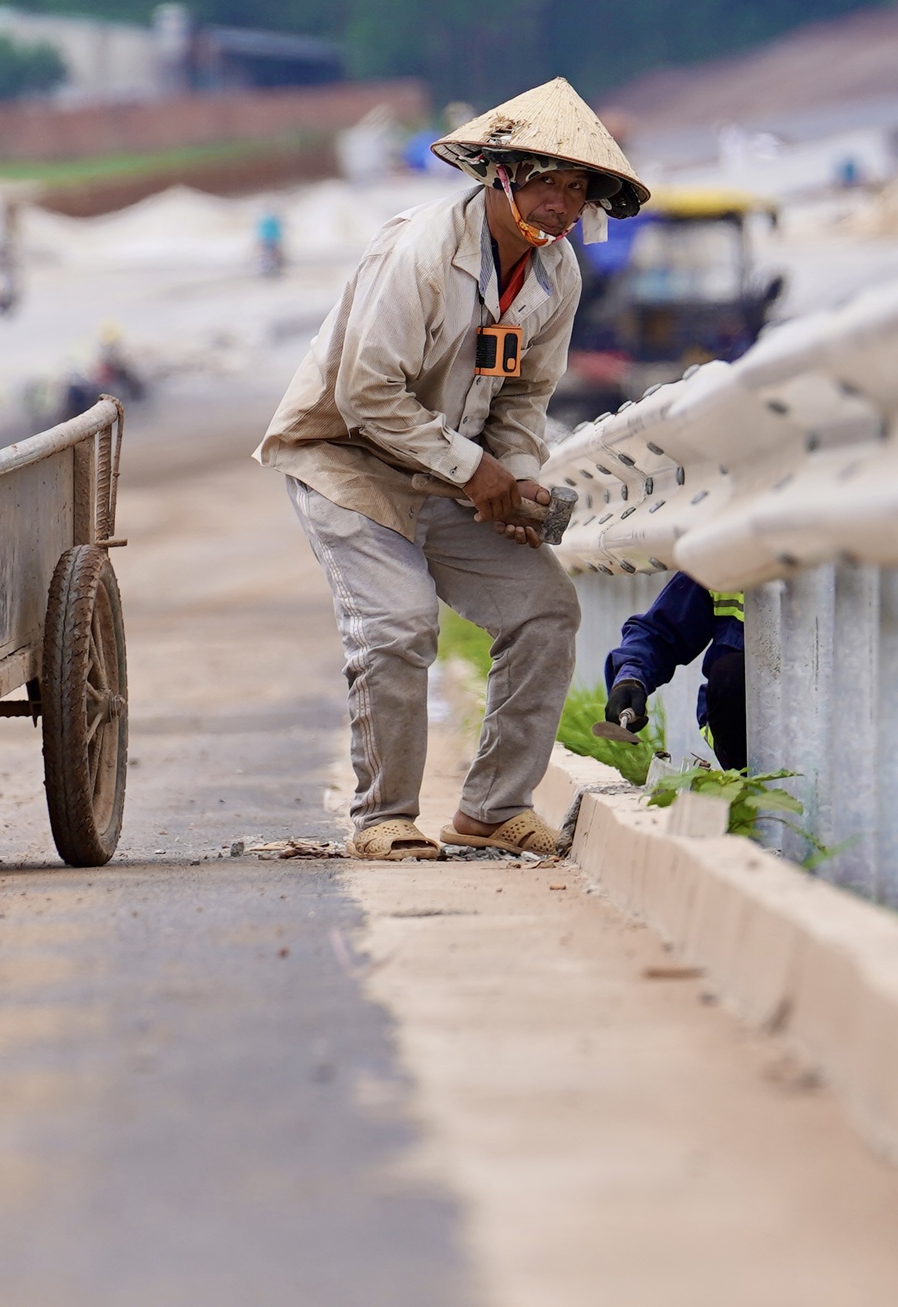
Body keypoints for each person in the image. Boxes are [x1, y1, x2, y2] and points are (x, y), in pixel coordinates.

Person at [257, 79, 650, 860]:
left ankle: (493, 809)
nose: (564, 205)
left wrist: (515, 475)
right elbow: (366, 393)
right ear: (502, 175)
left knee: (544, 611)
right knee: (399, 626)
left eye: (579, 189)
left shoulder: (556, 272)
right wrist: (478, 475)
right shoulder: (421, 253)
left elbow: (526, 395)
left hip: (446, 470)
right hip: (350, 463)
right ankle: (384, 818)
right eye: (550, 183)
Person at [603, 574, 749, 773]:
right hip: (745, 740)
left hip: (802, 730)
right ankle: (751, 784)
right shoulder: (723, 557)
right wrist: (631, 678)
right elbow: (662, 632)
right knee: (731, 673)